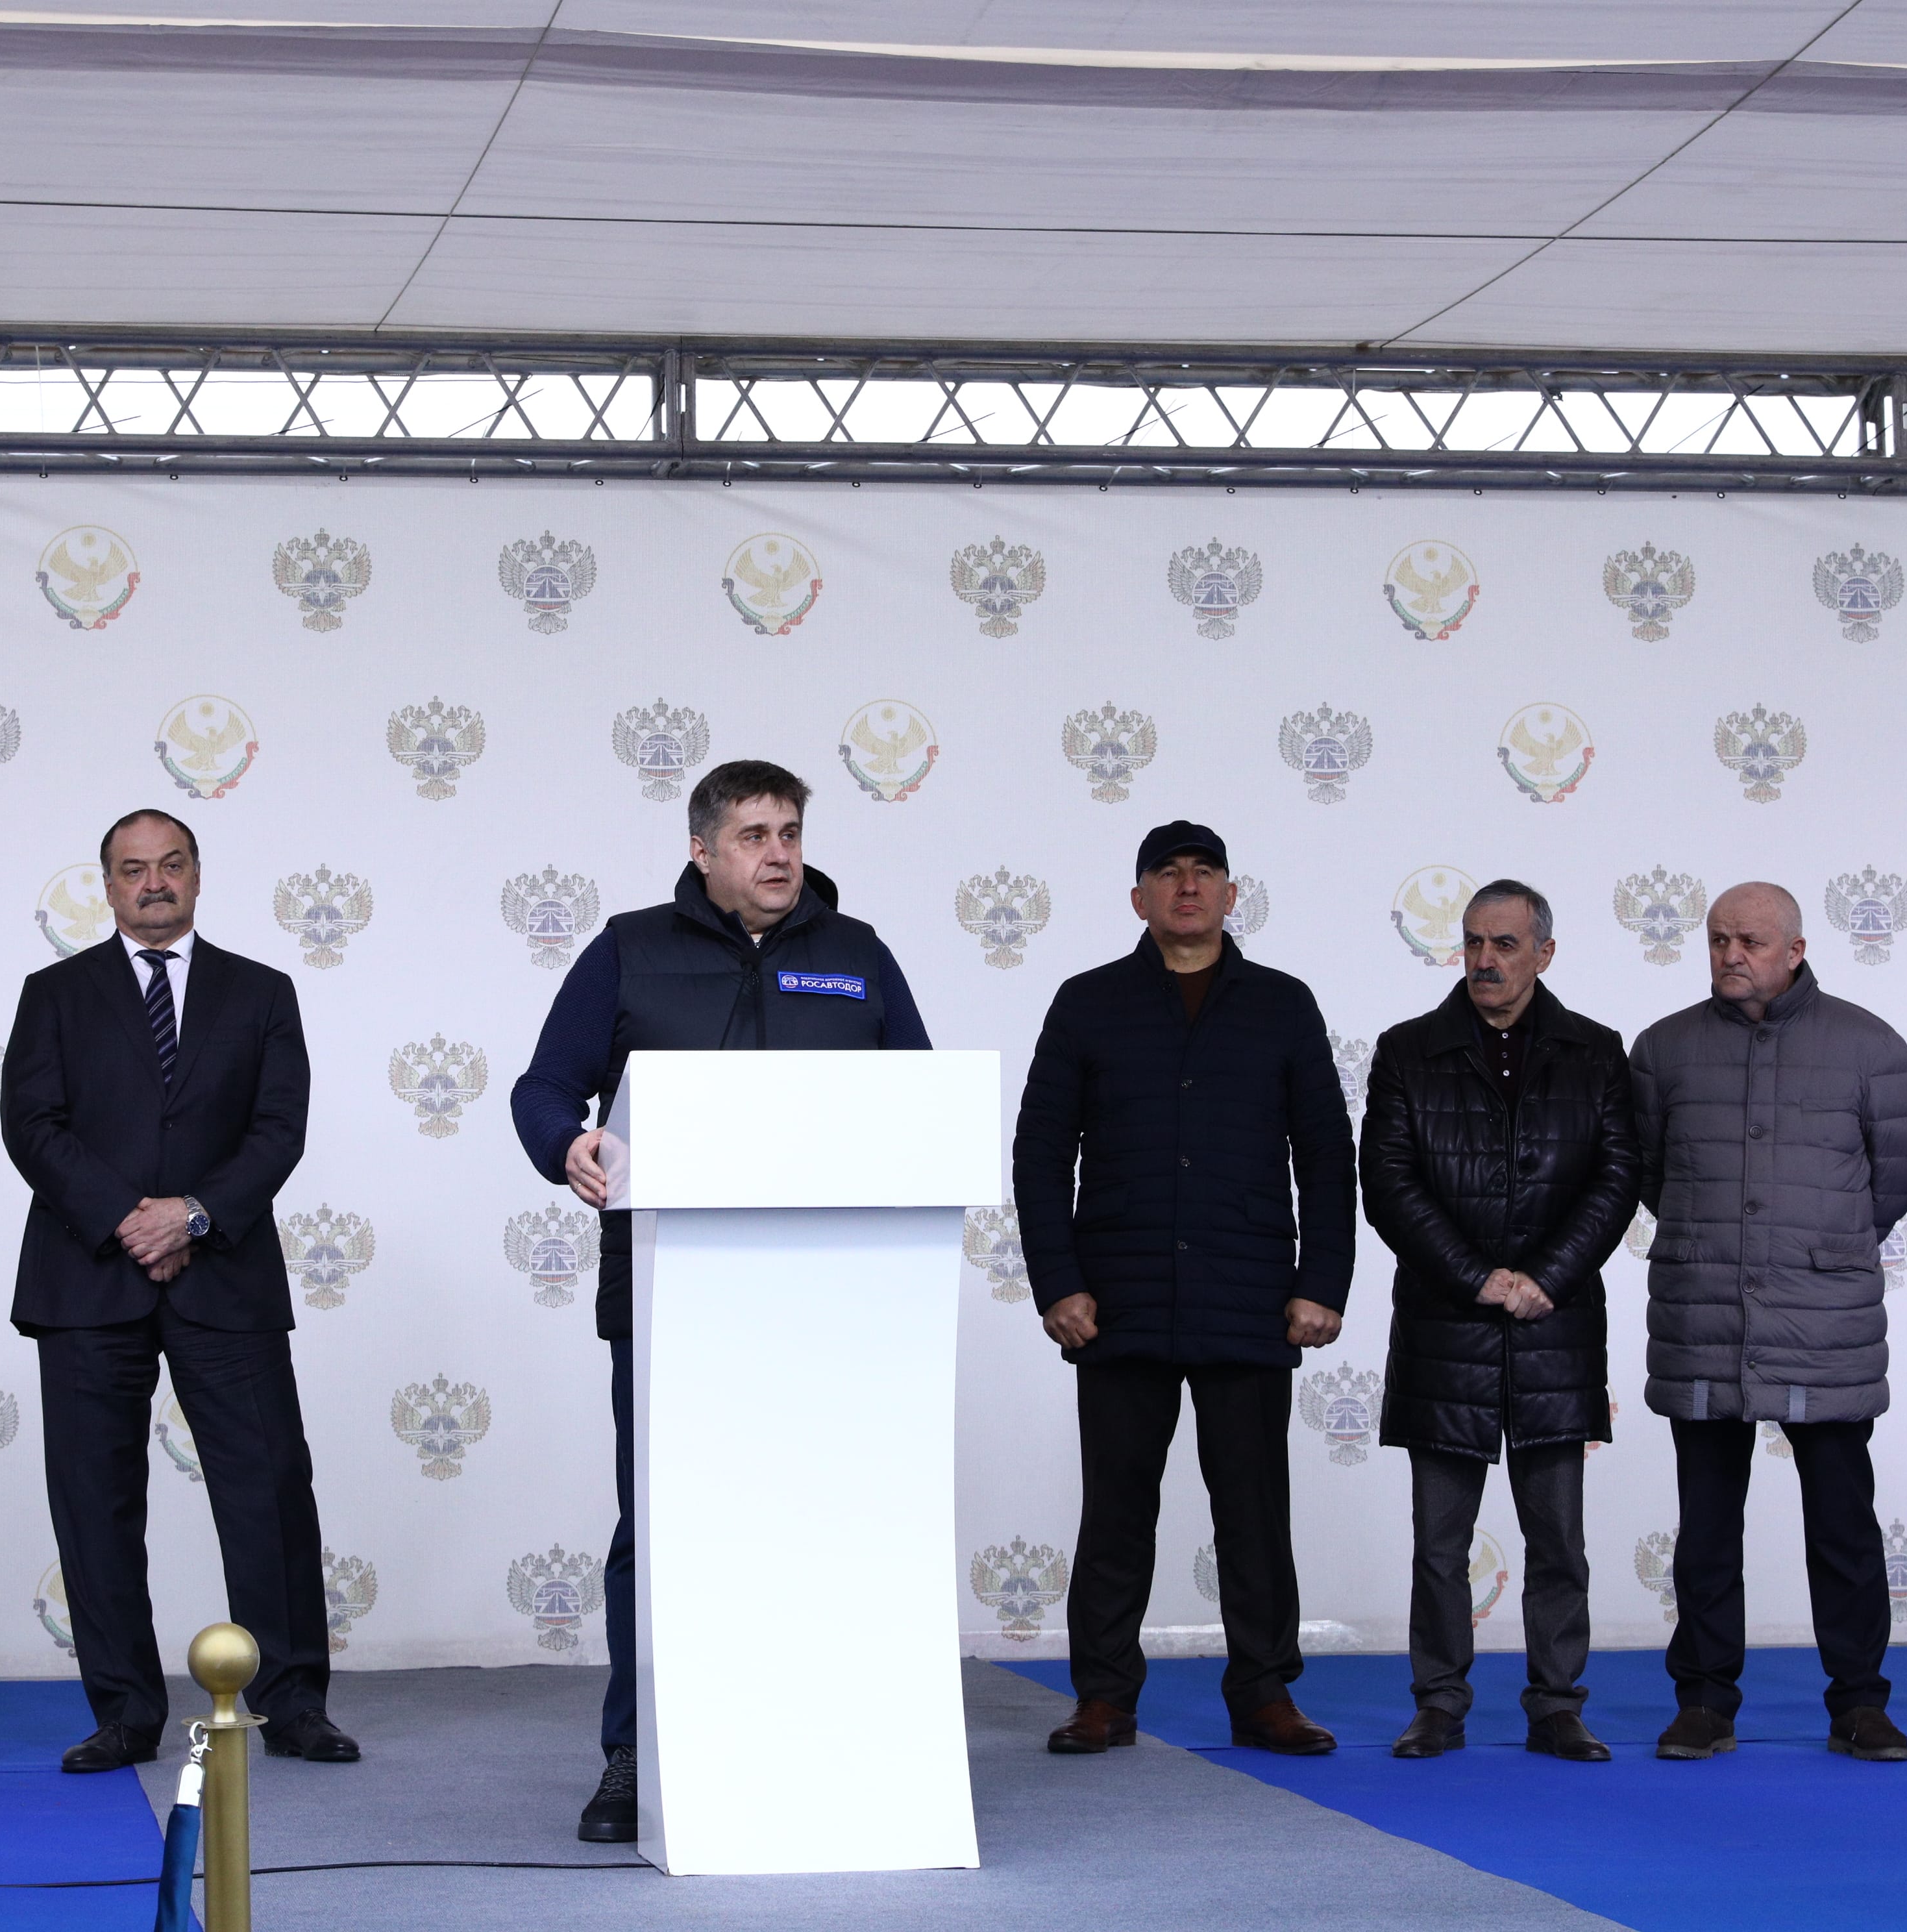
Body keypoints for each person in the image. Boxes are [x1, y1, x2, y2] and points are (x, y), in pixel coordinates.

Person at [509, 759, 929, 1843]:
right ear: (702, 850)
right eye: (754, 835)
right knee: (659, 1528)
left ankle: (821, 1741)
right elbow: (544, 1086)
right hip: (667, 1300)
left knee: (820, 1522)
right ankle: (635, 1753)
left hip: (833, 1304)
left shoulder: (858, 953)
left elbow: (918, 1098)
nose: (779, 854)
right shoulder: (629, 948)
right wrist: (569, 1144)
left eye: (790, 832)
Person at [3, 810, 354, 1772]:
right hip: (89, 1279)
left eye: (170, 865)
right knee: (96, 1502)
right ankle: (124, 1712)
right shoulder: (54, 993)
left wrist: (193, 1216)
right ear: (107, 885)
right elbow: (33, 1126)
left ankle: (294, 1703)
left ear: (197, 876)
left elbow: (279, 1128)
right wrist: (133, 1219)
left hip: (225, 1275)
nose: (152, 883)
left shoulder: (262, 991)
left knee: (269, 1491)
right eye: (132, 869)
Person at [1012, 821, 1355, 1760]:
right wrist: (1059, 1284)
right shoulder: (1088, 1002)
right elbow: (1041, 1155)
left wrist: (1322, 1282)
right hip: (1116, 1301)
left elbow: (1327, 1155)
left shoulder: (1282, 1004)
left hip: (1249, 1297)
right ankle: (1103, 1698)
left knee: (1254, 1513)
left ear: (1232, 895)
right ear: (1140, 898)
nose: (1189, 887)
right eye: (1168, 873)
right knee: (1116, 1512)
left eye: (1206, 873)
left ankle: (1266, 1695)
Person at [1629, 881, 1907, 1763]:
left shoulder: (1869, 1046)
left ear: (1795, 950)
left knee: (1843, 1526)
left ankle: (1860, 1704)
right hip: (1703, 1316)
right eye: (1719, 939)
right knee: (1707, 1531)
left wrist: (1818, 1247)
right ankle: (1704, 1703)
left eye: (1751, 941)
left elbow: (1894, 1180)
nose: (1730, 955)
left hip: (1825, 1323)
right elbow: (1651, 1173)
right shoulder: (1664, 1048)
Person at [1360, 880, 1635, 1762]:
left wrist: (1545, 1279)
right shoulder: (1407, 1051)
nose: (1485, 960)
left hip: (1555, 1327)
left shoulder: (1597, 1052)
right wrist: (1477, 1279)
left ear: (1544, 953)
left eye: (1505, 944)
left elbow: (1618, 1179)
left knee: (1558, 1542)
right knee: (1440, 1546)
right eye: (1474, 942)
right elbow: (1389, 1185)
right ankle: (1438, 1705)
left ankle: (1557, 1707)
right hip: (1447, 1329)